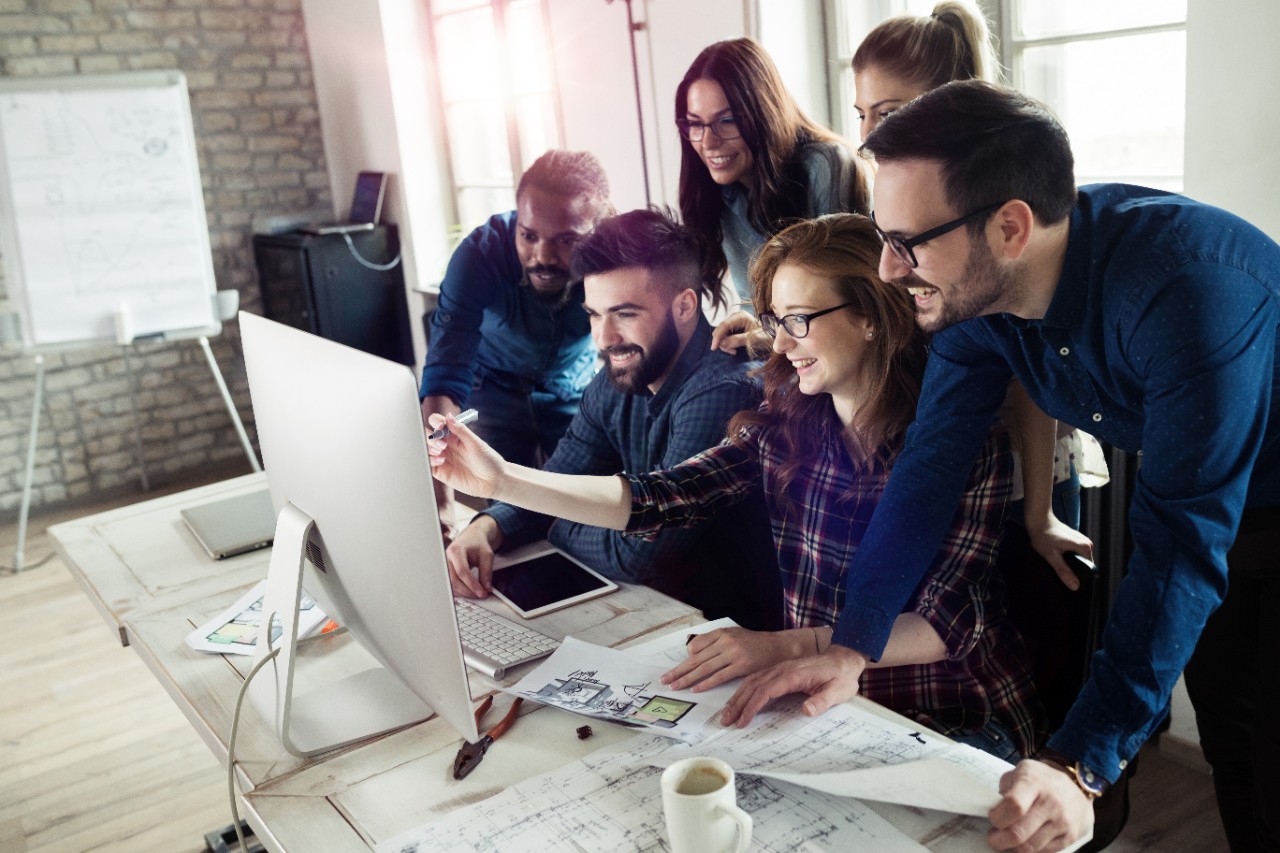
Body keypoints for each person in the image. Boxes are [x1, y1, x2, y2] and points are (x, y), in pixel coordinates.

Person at [731, 80, 1280, 853]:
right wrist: (852, 645)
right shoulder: (978, 302)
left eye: (907, 242)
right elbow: (929, 469)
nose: (888, 271)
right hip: (1219, 488)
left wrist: (1081, 763)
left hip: (1258, 493)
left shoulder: (1186, 291)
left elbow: (1180, 547)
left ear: (1011, 226)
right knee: (1232, 726)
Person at [429, 213, 1045, 762]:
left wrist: (783, 648)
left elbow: (946, 623)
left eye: (798, 320)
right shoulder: (788, 424)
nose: (778, 343)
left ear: (871, 318)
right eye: (777, 320)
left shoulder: (963, 443)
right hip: (821, 702)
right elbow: (661, 498)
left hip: (954, 716)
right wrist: (503, 480)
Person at [445, 207, 782, 629]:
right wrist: (488, 525)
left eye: (624, 314)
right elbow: (560, 475)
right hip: (652, 618)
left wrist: (555, 516)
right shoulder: (617, 379)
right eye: (593, 314)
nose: (604, 339)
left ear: (684, 306)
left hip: (728, 635)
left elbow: (636, 555)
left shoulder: (722, 389)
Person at [419, 150, 612, 536]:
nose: (541, 256)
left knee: (581, 513)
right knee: (510, 519)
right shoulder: (478, 255)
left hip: (573, 391)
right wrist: (441, 511)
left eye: (566, 240)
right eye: (528, 236)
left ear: (599, 226)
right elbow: (445, 372)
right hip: (493, 391)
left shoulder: (618, 254)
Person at [676, 38, 872, 309]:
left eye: (728, 120)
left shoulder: (826, 166)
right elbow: (754, 305)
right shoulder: (719, 188)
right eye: (695, 124)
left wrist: (762, 331)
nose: (708, 143)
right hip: (776, 342)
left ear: (764, 113)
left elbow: (839, 301)